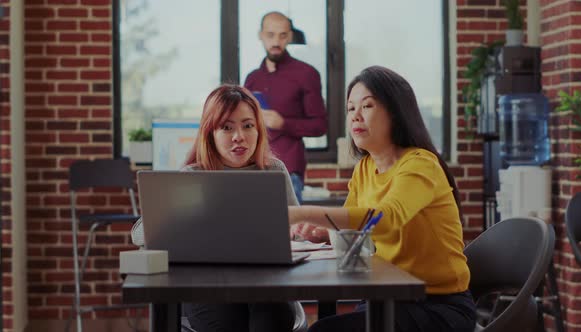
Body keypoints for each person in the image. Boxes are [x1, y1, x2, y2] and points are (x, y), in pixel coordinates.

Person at [289, 66, 477, 332]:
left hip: (436, 306)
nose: (355, 116)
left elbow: (385, 219)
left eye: (367, 106)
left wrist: (302, 212)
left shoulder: (420, 164)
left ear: (396, 112)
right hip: (385, 298)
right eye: (350, 108)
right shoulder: (364, 169)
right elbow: (354, 231)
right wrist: (323, 232)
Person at [131, 84, 299, 332]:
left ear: (259, 130)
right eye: (227, 127)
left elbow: (296, 225)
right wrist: (178, 214)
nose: (239, 136)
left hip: (266, 284)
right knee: (231, 322)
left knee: (272, 317)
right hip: (207, 288)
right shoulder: (193, 175)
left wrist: (300, 229)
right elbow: (138, 235)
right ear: (210, 133)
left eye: (248, 125)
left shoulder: (273, 170)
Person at [244, 11, 328, 203]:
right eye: (270, 35)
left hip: (288, 171)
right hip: (252, 170)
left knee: (289, 231)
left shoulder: (307, 74)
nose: (276, 42)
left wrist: (283, 123)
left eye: (282, 35)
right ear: (261, 35)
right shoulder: (252, 79)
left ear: (289, 36)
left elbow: (320, 126)